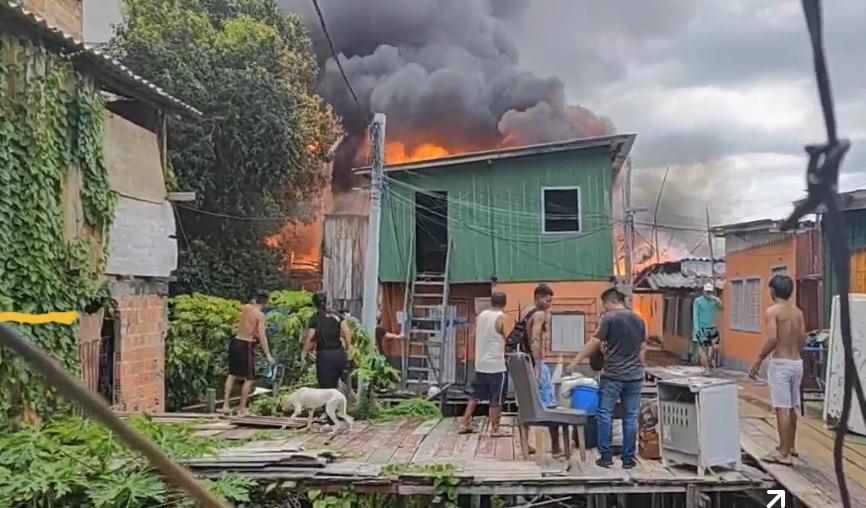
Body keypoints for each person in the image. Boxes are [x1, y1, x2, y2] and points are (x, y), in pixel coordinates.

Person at [572, 287, 646, 469]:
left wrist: (576, 360)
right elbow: (643, 347)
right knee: (630, 416)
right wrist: (639, 366)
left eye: (604, 305)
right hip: (635, 376)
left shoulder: (609, 318)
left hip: (613, 375)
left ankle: (605, 456)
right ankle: (628, 459)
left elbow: (595, 342)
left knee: (604, 414)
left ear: (608, 302)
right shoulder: (639, 319)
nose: (603, 309)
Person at [749, 274, 805, 466]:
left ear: (772, 291)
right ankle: (791, 446)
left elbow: (773, 339)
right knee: (792, 407)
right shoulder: (798, 312)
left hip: (781, 363)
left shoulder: (773, 312)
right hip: (797, 362)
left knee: (782, 408)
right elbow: (802, 339)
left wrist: (758, 359)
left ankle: (783, 454)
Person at [518, 283, 562, 456]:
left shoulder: (525, 312)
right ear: (537, 298)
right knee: (550, 405)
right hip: (536, 363)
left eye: (550, 301)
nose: (549, 303)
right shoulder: (540, 314)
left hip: (523, 361)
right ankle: (556, 448)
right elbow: (535, 338)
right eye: (546, 300)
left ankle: (524, 446)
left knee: (525, 405)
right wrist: (537, 365)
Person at [459, 292, 509, 437]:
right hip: (497, 365)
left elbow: (473, 336)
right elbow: (509, 339)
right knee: (497, 398)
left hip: (480, 363)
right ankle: (495, 429)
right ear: (505, 303)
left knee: (475, 395)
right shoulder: (502, 318)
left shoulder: (480, 316)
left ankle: (464, 421)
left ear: (491, 302)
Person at [223, 290, 274, 416]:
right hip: (246, 345)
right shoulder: (260, 315)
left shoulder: (245, 308)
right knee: (249, 378)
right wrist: (268, 354)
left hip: (235, 342)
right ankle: (242, 408)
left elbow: (246, 325)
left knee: (232, 374)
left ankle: (225, 404)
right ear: (266, 302)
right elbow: (262, 336)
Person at [304, 292, 353, 389]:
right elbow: (346, 331)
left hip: (324, 356)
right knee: (343, 385)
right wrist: (349, 349)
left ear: (314, 304)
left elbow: (311, 339)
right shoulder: (337, 315)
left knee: (327, 389)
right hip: (339, 354)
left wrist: (304, 353)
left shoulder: (315, 318)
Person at [693, 283, 723, 372]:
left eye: (710, 291)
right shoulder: (698, 301)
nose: (708, 293)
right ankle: (706, 368)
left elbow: (721, 307)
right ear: (703, 291)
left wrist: (716, 299)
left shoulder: (714, 301)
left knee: (713, 348)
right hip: (702, 328)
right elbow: (695, 315)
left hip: (712, 328)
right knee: (703, 349)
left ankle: (708, 365)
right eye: (707, 291)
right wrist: (696, 329)